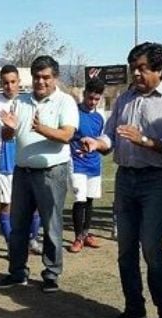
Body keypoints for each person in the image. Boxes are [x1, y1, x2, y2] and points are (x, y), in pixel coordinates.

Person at [81, 42, 162, 318]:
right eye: (134, 69)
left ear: (159, 69)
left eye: (142, 68)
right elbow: (110, 136)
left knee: (152, 248)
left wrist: (146, 141)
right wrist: (96, 143)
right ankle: (134, 307)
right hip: (125, 179)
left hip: (156, 181)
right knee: (125, 249)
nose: (137, 74)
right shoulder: (125, 98)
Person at [0, 55, 79, 293]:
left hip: (52, 172)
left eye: (46, 77)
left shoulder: (65, 102)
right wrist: (8, 130)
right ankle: (17, 272)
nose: (41, 82)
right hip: (23, 172)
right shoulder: (20, 101)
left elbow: (66, 135)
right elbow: (10, 137)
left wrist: (41, 128)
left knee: (51, 225)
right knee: (18, 225)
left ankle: (51, 274)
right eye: (37, 77)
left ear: (55, 78)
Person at [0, 65, 42, 255]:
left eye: (13, 82)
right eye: (5, 82)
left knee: (34, 204)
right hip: (5, 162)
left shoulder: (27, 101)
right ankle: (11, 244)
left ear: (19, 82)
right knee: (6, 204)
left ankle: (32, 240)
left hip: (27, 159)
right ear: (1, 83)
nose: (9, 86)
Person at [68, 77, 108, 253]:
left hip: (94, 164)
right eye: (90, 98)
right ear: (84, 95)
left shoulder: (100, 118)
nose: (93, 102)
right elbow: (67, 136)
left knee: (90, 200)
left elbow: (101, 140)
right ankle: (78, 238)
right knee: (79, 199)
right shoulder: (74, 114)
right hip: (76, 164)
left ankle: (86, 233)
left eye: (96, 99)